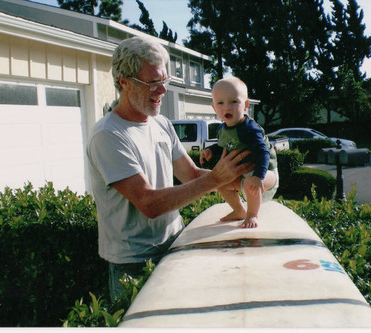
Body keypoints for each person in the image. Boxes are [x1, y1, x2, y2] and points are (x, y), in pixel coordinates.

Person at [86, 36, 253, 302]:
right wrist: (216, 180)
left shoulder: (160, 123)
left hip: (174, 243)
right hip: (134, 264)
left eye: (164, 81)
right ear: (124, 82)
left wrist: (246, 183)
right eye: (152, 83)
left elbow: (191, 175)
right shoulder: (108, 135)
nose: (162, 91)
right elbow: (148, 203)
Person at [200, 77, 279, 228]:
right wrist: (210, 150)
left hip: (266, 175)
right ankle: (239, 211)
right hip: (245, 177)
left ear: (246, 105)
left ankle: (252, 215)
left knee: (250, 181)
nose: (227, 107)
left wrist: (258, 176)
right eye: (220, 103)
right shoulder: (222, 129)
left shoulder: (250, 129)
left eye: (233, 102)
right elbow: (224, 144)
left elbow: (264, 153)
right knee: (221, 183)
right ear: (214, 107)